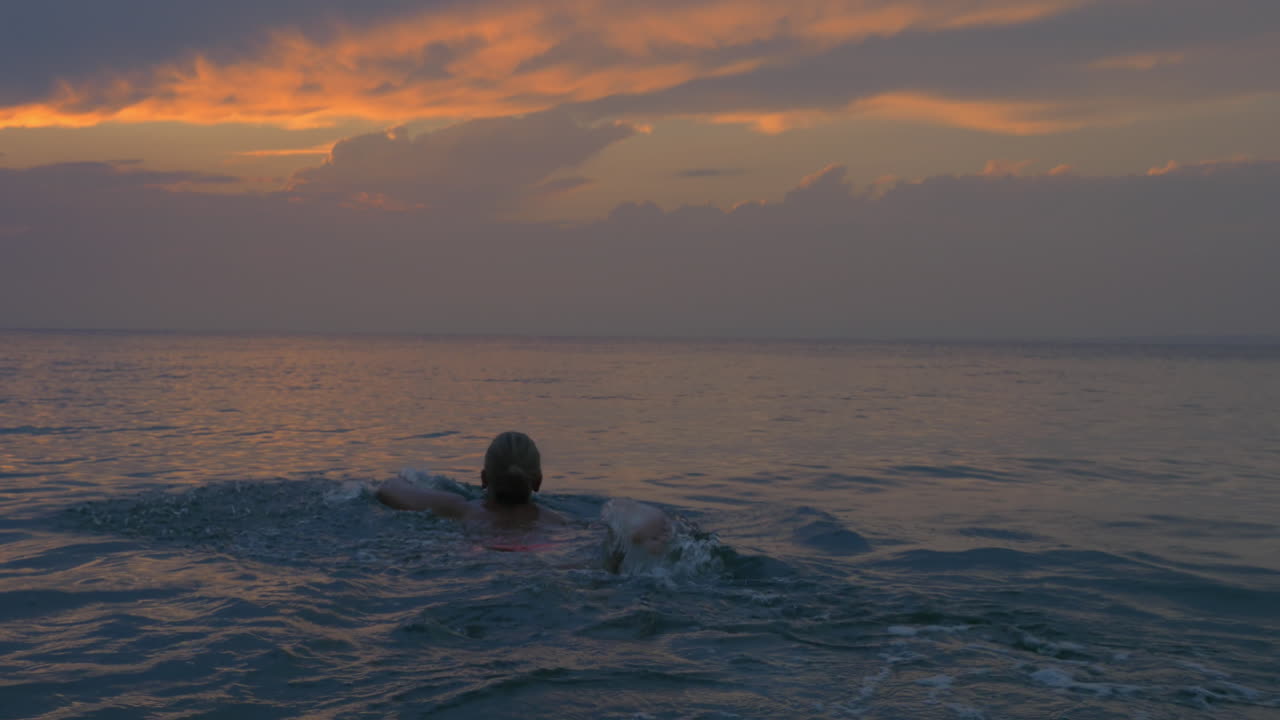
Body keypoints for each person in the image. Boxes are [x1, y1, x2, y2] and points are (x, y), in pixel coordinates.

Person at [376, 431, 567, 535]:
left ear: (484, 479)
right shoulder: (558, 521)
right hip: (540, 553)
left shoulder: (461, 508)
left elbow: (389, 488)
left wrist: (405, 479)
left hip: (480, 554)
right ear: (538, 481)